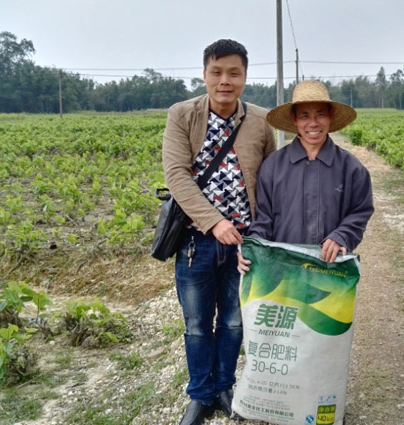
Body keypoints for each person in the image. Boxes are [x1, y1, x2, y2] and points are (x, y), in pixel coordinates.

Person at [162, 39, 275, 425]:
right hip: (197, 241)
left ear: (244, 76)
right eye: (217, 72)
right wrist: (215, 221)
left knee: (233, 320)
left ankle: (225, 388)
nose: (225, 81)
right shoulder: (182, 114)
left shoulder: (261, 120)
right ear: (205, 73)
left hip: (245, 243)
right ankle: (200, 395)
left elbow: (272, 180)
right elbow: (176, 174)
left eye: (234, 73)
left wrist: (260, 234)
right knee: (196, 323)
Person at [239, 79, 374, 271]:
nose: (313, 123)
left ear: (330, 117)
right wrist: (252, 249)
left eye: (320, 114)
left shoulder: (351, 168)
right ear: (294, 120)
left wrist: (342, 236)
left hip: (330, 268)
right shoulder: (273, 166)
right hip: (282, 266)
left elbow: (360, 211)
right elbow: (263, 220)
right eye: (304, 116)